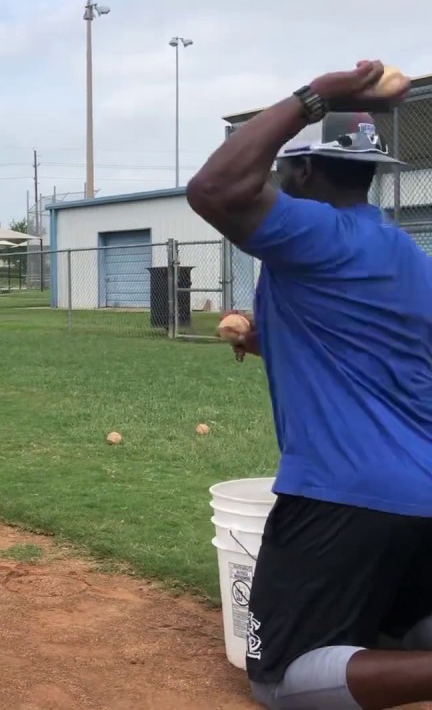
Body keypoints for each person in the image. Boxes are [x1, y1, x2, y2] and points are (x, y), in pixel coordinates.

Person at [187, 61, 432, 710]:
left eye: (282, 172)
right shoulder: (406, 255)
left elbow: (214, 188)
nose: (274, 182)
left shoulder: (311, 232)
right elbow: (368, 353)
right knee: (397, 631)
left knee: (282, 681)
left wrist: (315, 96)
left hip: (342, 495)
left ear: (306, 172)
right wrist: (259, 337)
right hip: (421, 497)